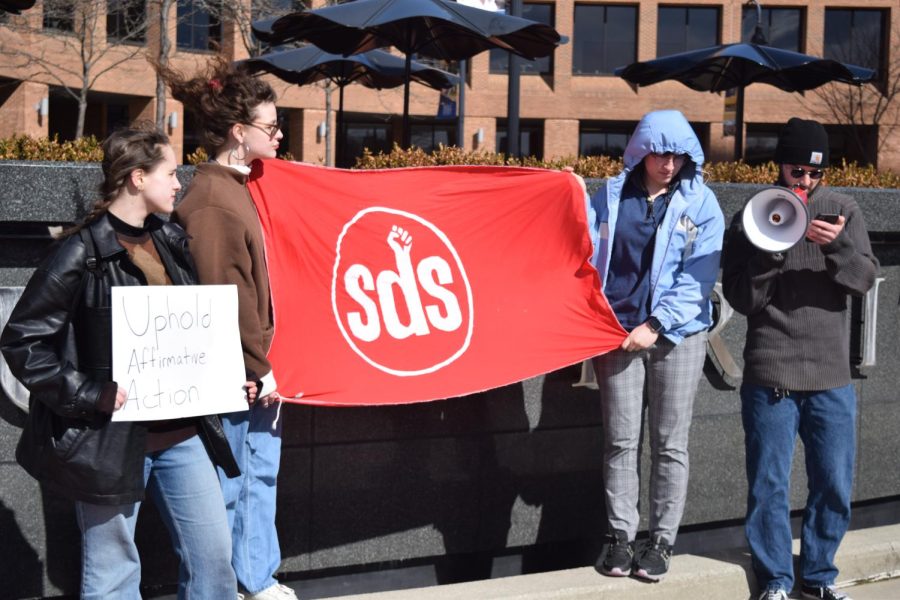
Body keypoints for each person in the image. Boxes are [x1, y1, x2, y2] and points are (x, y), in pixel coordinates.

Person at [0, 127, 246, 599]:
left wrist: (228, 379)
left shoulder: (171, 238)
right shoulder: (80, 252)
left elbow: (191, 332)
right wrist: (91, 394)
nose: (180, 183)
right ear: (137, 177)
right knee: (112, 572)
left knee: (214, 562)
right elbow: (22, 341)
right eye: (171, 173)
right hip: (109, 441)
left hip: (183, 435)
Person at [158, 57, 297, 600]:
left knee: (255, 476)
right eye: (271, 126)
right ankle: (239, 583)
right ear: (240, 134)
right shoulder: (215, 200)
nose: (281, 134)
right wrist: (256, 369)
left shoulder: (234, 187)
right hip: (237, 373)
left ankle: (254, 577)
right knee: (237, 483)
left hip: (248, 369)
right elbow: (224, 294)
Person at [722, 118, 878, 600]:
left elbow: (864, 280)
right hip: (771, 372)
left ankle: (818, 575)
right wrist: (769, 252)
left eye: (814, 174)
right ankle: (775, 579)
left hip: (830, 374)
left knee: (832, 481)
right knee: (768, 485)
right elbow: (741, 298)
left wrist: (837, 247)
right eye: (796, 171)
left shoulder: (843, 210)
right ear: (780, 167)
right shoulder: (754, 212)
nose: (804, 183)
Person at [587, 109, 724, 581]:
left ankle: (662, 541)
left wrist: (657, 323)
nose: (669, 164)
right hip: (616, 333)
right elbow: (581, 249)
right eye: (661, 153)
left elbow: (698, 278)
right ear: (642, 150)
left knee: (669, 444)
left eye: (679, 155)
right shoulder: (608, 196)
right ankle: (620, 537)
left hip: (678, 336)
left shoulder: (701, 203)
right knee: (621, 442)